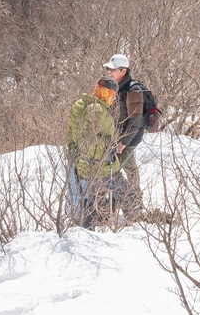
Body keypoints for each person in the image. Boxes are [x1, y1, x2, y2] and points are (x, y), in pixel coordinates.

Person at [101, 52, 159, 211]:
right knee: (130, 167)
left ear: (124, 71)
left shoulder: (132, 90)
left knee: (111, 171)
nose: (109, 72)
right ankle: (137, 201)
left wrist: (123, 143)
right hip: (121, 137)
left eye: (113, 69)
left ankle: (129, 205)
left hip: (129, 138)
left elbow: (136, 121)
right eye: (109, 69)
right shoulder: (117, 88)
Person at [67, 79, 120, 228]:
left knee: (90, 195)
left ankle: (91, 224)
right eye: (112, 95)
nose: (113, 98)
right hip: (96, 163)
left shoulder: (80, 104)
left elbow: (72, 132)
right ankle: (89, 228)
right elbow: (89, 138)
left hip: (80, 159)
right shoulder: (97, 109)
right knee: (97, 196)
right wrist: (107, 148)